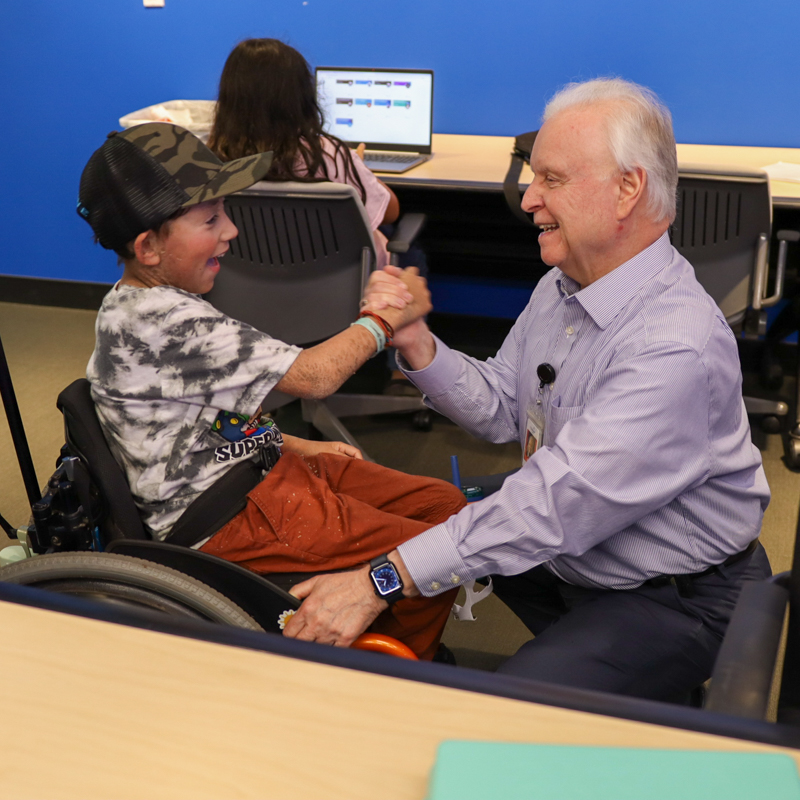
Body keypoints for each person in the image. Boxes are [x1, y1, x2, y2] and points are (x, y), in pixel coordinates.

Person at [282, 78, 773, 702]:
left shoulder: (671, 346)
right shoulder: (566, 284)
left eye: (553, 179)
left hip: (675, 595)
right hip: (585, 553)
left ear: (628, 189)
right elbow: (504, 408)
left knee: (509, 708)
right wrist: (417, 345)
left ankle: (631, 694)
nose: (530, 198)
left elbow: (549, 506)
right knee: (426, 514)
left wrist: (380, 579)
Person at [77, 122, 465, 660]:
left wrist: (299, 446)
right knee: (433, 553)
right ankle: (396, 670)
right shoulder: (164, 319)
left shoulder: (159, 303)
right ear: (147, 246)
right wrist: (381, 320)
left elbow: (209, 423)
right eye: (211, 219)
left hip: (259, 473)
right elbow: (313, 378)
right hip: (229, 516)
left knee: (445, 507)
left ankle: (382, 629)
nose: (231, 230)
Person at [207, 38, 399, 269]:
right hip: (336, 282)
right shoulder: (328, 155)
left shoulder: (215, 158)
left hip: (247, 286)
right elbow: (390, 212)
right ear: (301, 95)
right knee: (411, 252)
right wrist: (359, 167)